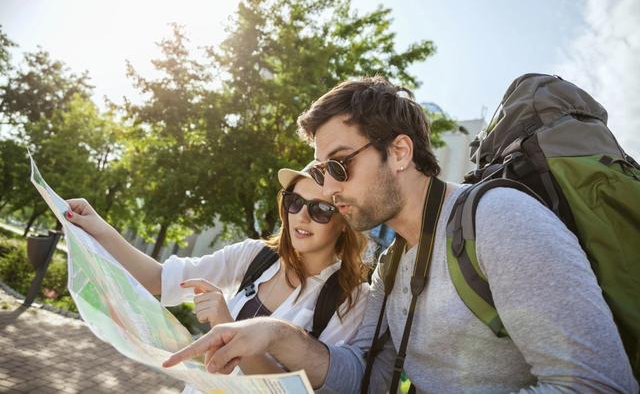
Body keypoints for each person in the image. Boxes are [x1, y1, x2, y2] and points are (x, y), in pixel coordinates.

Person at [162, 76, 638, 393]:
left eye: (338, 165)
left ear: (400, 152)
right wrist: (275, 334)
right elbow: (367, 375)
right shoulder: (393, 263)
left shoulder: (498, 219)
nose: (327, 187)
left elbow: (596, 384)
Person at [65, 165, 370, 390]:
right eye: (295, 202)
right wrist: (99, 228)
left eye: (320, 210)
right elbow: (159, 278)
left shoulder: (350, 297)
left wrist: (229, 329)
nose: (301, 217)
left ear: (344, 221)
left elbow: (293, 391)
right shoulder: (255, 255)